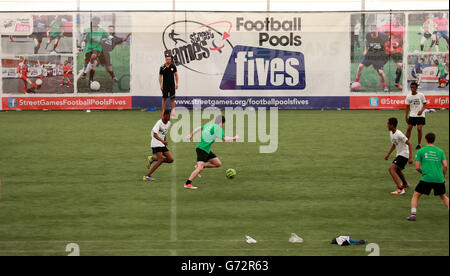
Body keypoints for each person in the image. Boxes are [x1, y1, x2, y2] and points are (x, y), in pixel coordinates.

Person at [184, 115, 239, 190]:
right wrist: (234, 138)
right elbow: (225, 139)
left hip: (206, 150)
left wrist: (191, 135)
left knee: (218, 164)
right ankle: (187, 183)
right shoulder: (218, 128)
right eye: (223, 124)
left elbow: (199, 128)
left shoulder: (209, 125)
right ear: (222, 123)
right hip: (202, 149)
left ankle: (202, 166)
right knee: (199, 168)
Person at [408, 133, 448, 221]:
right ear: (434, 140)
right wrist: (443, 176)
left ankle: (413, 215)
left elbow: (417, 167)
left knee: (416, 195)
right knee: (443, 196)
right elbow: (445, 166)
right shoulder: (440, 151)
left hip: (426, 178)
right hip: (439, 178)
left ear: (425, 140)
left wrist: (423, 173)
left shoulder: (421, 151)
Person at [353, 24, 390, 92]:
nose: (373, 34)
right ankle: (356, 81)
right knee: (360, 66)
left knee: (381, 72)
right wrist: (365, 50)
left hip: (379, 57)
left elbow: (390, 39)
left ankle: (384, 85)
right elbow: (367, 43)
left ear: (377, 30)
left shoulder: (383, 35)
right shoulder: (368, 35)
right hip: (369, 55)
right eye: (371, 31)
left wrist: (391, 47)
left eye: (374, 32)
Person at [385, 117, 413, 195]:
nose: (387, 125)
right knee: (397, 170)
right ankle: (405, 184)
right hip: (400, 154)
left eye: (388, 124)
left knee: (391, 169)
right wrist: (388, 154)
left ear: (392, 125)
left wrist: (410, 157)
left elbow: (409, 144)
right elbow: (394, 144)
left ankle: (400, 189)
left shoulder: (399, 134)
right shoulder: (391, 133)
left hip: (404, 154)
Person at [143, 110, 174, 181]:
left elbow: (164, 133)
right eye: (169, 115)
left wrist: (164, 142)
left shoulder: (168, 123)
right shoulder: (159, 123)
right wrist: (163, 141)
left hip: (162, 144)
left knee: (170, 160)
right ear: (165, 115)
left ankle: (153, 159)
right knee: (160, 160)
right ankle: (146, 176)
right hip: (155, 143)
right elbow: (154, 134)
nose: (170, 117)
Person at [79, 16, 109, 84]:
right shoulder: (88, 30)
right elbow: (84, 40)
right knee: (87, 64)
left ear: (98, 22)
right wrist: (84, 35)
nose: (94, 23)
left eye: (96, 21)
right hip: (88, 49)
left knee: (94, 60)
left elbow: (109, 37)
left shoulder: (102, 30)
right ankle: (87, 76)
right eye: (93, 21)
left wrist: (103, 40)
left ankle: (88, 76)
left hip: (97, 48)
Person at [379, 14, 405, 90]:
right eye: (395, 18)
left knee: (400, 65)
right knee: (380, 68)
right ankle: (383, 83)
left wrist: (398, 44)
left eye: (398, 19)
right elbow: (380, 34)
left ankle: (397, 82)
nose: (396, 20)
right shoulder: (387, 25)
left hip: (396, 50)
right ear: (393, 19)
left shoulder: (402, 28)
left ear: (400, 20)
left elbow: (404, 41)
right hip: (386, 49)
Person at [405, 81, 427, 150]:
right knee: (408, 129)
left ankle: (419, 144)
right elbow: (407, 107)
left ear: (417, 88)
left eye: (413, 87)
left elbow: (425, 105)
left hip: (420, 115)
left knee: (419, 129)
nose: (412, 89)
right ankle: (406, 144)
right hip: (412, 115)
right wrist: (406, 116)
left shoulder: (421, 95)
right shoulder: (408, 96)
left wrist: (421, 111)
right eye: (411, 87)